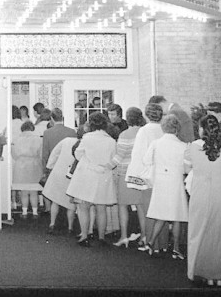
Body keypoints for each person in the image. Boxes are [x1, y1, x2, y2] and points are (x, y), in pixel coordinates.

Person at [184, 114, 221, 286]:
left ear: (201, 129)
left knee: (199, 233)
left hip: (200, 193)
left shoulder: (192, 147)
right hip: (220, 192)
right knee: (219, 233)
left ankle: (201, 271)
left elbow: (186, 167)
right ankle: (219, 275)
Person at [66, 113, 118, 247]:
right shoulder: (111, 141)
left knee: (84, 207)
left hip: (87, 175)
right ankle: (101, 237)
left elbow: (78, 154)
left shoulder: (87, 138)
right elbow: (114, 159)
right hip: (103, 175)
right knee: (101, 208)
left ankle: (84, 236)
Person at [143, 113, 189, 260]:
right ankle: (175, 248)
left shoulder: (156, 143)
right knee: (176, 217)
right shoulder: (183, 146)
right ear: (177, 129)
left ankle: (150, 242)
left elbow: (146, 160)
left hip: (160, 182)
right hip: (176, 182)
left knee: (160, 215)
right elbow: (187, 168)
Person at [128, 102, 165, 253]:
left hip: (148, 175)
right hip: (163, 175)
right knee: (162, 211)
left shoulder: (144, 131)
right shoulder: (165, 129)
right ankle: (162, 244)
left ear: (147, 115)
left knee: (149, 211)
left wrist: (135, 176)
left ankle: (151, 244)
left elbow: (138, 155)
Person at [111, 106, 147, 248]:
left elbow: (118, 157)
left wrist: (107, 166)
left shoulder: (125, 134)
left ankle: (124, 236)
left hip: (125, 173)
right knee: (140, 207)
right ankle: (144, 236)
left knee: (122, 206)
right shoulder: (144, 133)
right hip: (141, 173)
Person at [43, 127, 80, 236]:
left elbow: (54, 154)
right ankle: (70, 227)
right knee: (70, 203)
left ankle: (52, 224)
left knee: (55, 200)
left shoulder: (66, 140)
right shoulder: (84, 143)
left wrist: (49, 167)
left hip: (59, 172)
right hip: (74, 175)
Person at [11, 120, 44, 219]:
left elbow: (14, 154)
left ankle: (24, 212)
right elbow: (41, 154)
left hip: (21, 164)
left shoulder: (16, 139)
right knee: (34, 190)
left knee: (24, 190)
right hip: (34, 164)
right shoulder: (38, 139)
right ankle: (35, 212)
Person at [41, 108, 75, 175]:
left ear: (52, 118)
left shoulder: (47, 133)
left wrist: (45, 171)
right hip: (68, 166)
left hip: (53, 166)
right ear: (62, 118)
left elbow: (45, 154)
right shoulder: (72, 132)